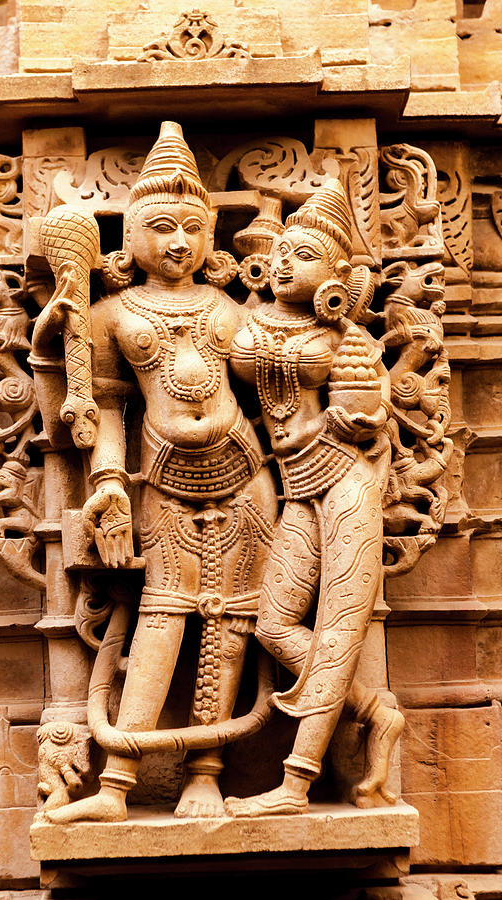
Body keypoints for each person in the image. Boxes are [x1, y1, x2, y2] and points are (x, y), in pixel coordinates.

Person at [33, 121, 277, 823]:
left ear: (209, 237)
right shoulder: (109, 314)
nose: (178, 242)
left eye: (193, 229)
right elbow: (104, 409)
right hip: (162, 482)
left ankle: (206, 773)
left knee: (232, 623)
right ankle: (117, 783)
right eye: (161, 226)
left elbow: (273, 393)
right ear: (130, 238)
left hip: (247, 475)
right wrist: (108, 484)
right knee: (163, 619)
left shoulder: (227, 308)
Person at [226, 179, 404, 817]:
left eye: (301, 256)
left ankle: (295, 785)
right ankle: (377, 713)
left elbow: (363, 413)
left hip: (348, 484)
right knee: (272, 624)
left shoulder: (349, 341)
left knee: (336, 629)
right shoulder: (262, 317)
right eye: (281, 252)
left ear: (336, 275)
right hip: (298, 489)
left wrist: (350, 408)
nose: (283, 262)